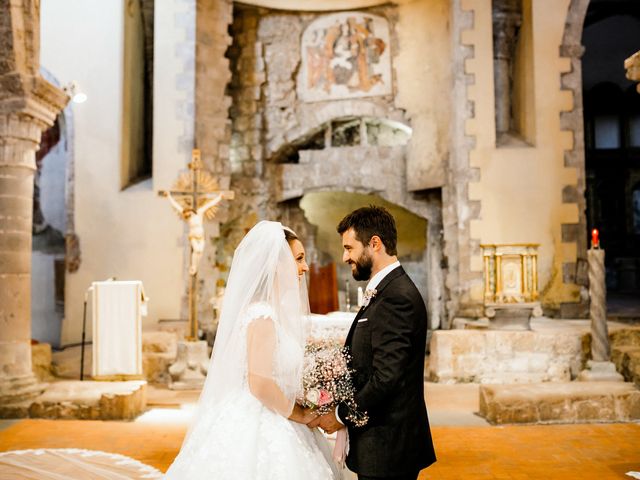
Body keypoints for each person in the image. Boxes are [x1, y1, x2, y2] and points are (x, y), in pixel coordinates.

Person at [164, 221, 341, 479]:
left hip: (274, 410)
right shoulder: (262, 314)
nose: (304, 267)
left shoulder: (269, 311)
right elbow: (259, 383)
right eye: (299, 259)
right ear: (276, 262)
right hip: (262, 418)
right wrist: (300, 413)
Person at [310, 206, 436, 480]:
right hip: (382, 444)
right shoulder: (387, 290)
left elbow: (387, 378)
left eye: (349, 247)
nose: (345, 257)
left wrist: (341, 414)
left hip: (388, 446)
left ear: (375, 243)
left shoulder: (396, 297)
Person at [160, 191, 230, 276]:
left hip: (201, 237)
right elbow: (176, 206)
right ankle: (193, 267)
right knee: (196, 250)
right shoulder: (188, 218)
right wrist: (169, 196)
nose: (186, 214)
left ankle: (196, 267)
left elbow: (209, 205)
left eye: (187, 212)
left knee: (200, 252)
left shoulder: (199, 213)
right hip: (193, 236)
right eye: (185, 214)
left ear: (190, 210)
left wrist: (219, 197)